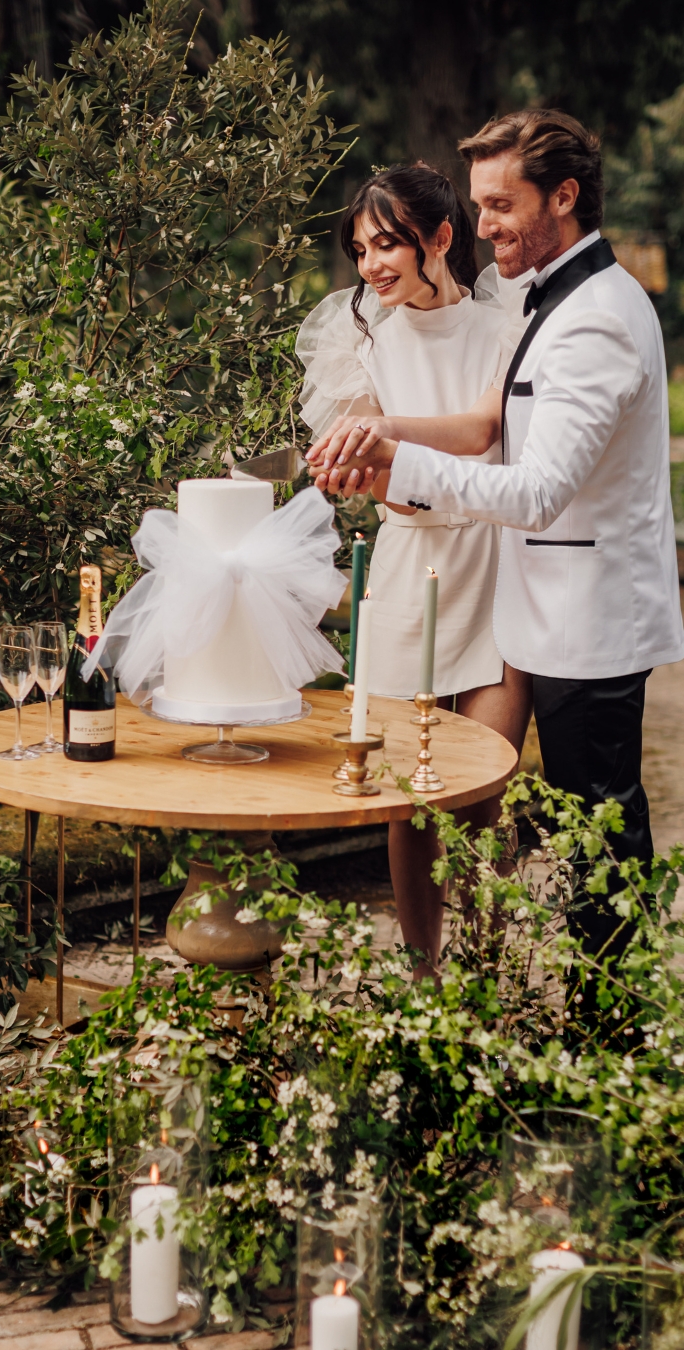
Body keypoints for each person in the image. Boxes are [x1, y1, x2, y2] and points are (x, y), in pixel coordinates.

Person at [310, 109, 684, 970]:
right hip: (541, 606)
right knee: (586, 829)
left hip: (585, 615)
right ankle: (557, 1004)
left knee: (601, 833)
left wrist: (399, 463)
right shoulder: (547, 300)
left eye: (500, 203)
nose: (483, 226)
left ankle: (611, 1028)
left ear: (564, 195)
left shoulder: (591, 317)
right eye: (476, 204)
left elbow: (540, 489)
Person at [297, 163, 531, 977]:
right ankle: (424, 971)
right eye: (360, 250)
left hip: (500, 564)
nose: (372, 266)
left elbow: (481, 431)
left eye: (388, 243)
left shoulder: (504, 324)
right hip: (408, 571)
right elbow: (379, 485)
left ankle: (487, 962)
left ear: (440, 238)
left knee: (482, 786)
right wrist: (370, 474)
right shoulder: (360, 339)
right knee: (408, 796)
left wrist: (387, 433)